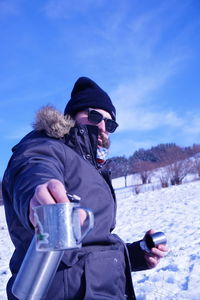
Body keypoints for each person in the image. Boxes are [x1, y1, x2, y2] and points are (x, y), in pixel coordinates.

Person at [2, 77, 168, 300]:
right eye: (94, 116)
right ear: (71, 118)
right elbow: (35, 167)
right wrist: (39, 194)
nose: (102, 127)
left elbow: (92, 249)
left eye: (110, 124)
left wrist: (138, 255)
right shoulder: (46, 146)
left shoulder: (92, 168)